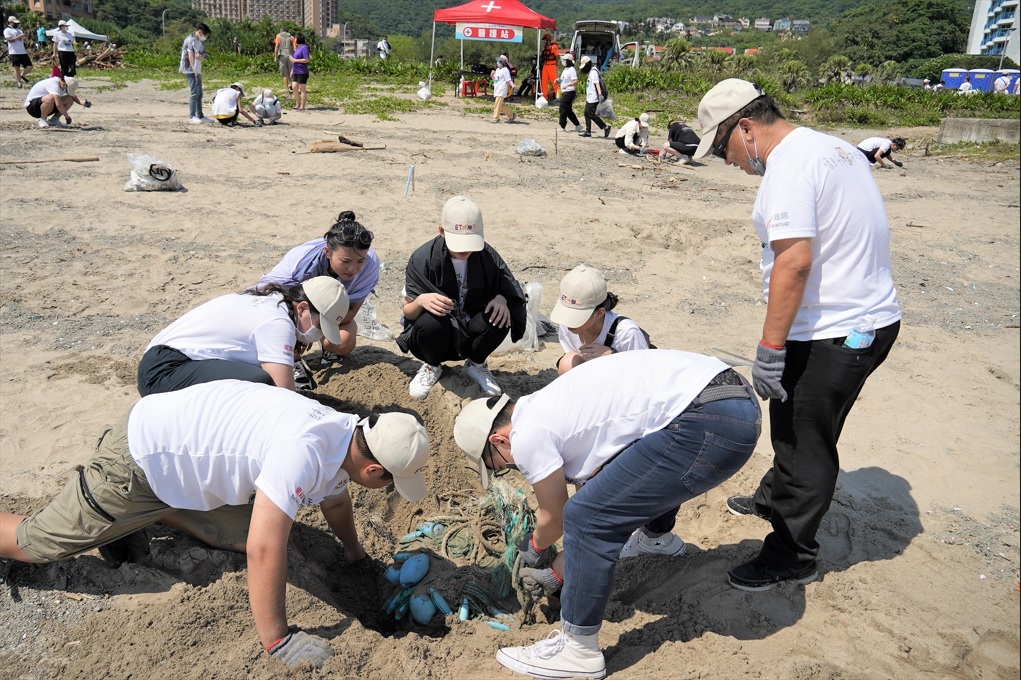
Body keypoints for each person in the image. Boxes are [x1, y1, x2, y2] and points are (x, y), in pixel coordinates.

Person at [0, 379, 431, 670]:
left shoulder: (342, 432)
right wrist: (277, 639)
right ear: (373, 471)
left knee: (244, 531)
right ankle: (132, 509)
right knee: (33, 545)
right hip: (137, 463)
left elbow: (336, 502)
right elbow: (267, 550)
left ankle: (155, 514)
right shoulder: (302, 453)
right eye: (394, 480)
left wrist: (355, 554)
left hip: (176, 458)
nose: (391, 487)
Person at [693, 78, 901, 591]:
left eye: (724, 147)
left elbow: (794, 261)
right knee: (799, 422)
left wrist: (770, 349)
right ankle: (773, 498)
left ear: (746, 127)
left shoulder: (786, 168)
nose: (728, 161)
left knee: (804, 437)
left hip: (834, 330)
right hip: (870, 320)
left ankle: (792, 554)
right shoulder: (830, 147)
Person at [452, 350, 761, 679]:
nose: (505, 470)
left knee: (584, 518)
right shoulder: (547, 404)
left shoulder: (526, 435)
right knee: (614, 486)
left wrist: (537, 548)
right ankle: (656, 539)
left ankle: (578, 650)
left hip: (709, 423)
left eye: (495, 465)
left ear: (499, 440)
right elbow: (603, 487)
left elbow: (560, 517)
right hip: (734, 398)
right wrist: (562, 563)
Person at [397, 196, 527, 400]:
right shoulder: (423, 258)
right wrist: (421, 300)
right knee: (430, 323)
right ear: (441, 231)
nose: (465, 249)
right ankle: (432, 366)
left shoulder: (487, 255)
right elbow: (408, 311)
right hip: (440, 332)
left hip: (472, 328)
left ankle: (476, 364)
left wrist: (502, 298)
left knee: (501, 315)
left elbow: (509, 287)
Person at [137, 276, 348, 396]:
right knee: (262, 383)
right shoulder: (278, 322)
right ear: (302, 308)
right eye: (320, 326)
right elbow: (284, 393)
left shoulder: (273, 299)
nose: (318, 335)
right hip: (163, 374)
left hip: (163, 362)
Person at [259, 212, 380, 377]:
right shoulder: (300, 264)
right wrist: (299, 333)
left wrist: (314, 330)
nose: (353, 269)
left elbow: (350, 313)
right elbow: (269, 304)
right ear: (328, 252)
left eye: (360, 261)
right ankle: (290, 358)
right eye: (345, 261)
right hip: (294, 311)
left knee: (343, 342)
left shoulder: (370, 265)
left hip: (329, 314)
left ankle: (327, 350)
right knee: (282, 324)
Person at [551, 264, 651, 375]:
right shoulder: (567, 326)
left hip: (622, 384)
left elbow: (642, 375)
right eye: (567, 312)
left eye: (576, 316)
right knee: (567, 363)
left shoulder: (627, 333)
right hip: (594, 382)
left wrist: (612, 356)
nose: (568, 321)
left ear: (600, 313)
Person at [23, 75, 89, 128]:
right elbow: (58, 105)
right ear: (64, 84)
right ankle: (43, 120)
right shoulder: (54, 84)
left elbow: (73, 97)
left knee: (69, 99)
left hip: (45, 106)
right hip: (32, 108)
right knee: (51, 98)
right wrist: (67, 117)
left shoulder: (63, 84)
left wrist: (84, 103)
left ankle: (54, 120)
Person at [180, 23, 211, 124]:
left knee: (200, 93)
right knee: (194, 93)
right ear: (200, 32)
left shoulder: (199, 42)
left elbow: (203, 54)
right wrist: (194, 71)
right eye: (205, 34)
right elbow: (190, 56)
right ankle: (192, 116)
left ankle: (200, 115)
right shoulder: (190, 40)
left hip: (198, 69)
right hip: (190, 69)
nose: (205, 37)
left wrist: (202, 57)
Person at [578, 55, 609, 139]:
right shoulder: (591, 71)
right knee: (586, 113)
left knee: (591, 114)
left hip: (594, 97)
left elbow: (597, 83)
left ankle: (605, 127)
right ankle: (588, 132)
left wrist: (600, 95)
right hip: (590, 97)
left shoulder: (594, 72)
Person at [5, 16, 32, 88]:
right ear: (10, 22)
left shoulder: (20, 30)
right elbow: (10, 40)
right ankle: (18, 82)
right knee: (17, 68)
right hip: (14, 52)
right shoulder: (7, 30)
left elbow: (26, 42)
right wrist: (18, 37)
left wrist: (26, 37)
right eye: (15, 23)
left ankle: (21, 75)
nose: (16, 24)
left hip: (22, 52)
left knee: (29, 67)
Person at [557, 52, 581, 132]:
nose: (563, 61)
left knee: (562, 108)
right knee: (568, 110)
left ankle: (562, 126)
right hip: (564, 92)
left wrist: (568, 85)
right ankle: (578, 125)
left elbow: (575, 81)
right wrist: (558, 80)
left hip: (569, 92)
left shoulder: (572, 69)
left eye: (565, 60)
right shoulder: (565, 69)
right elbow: (563, 79)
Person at [490, 56, 515, 123]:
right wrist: (492, 75)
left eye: (499, 62)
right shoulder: (497, 70)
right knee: (501, 105)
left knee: (497, 103)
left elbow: (508, 79)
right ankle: (511, 115)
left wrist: (513, 86)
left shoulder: (505, 70)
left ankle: (496, 118)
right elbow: (495, 79)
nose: (498, 63)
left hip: (502, 89)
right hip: (497, 89)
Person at [290, 34, 310, 110]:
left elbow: (306, 59)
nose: (294, 40)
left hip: (302, 72)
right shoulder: (297, 48)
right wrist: (292, 70)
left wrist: (295, 60)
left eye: (295, 39)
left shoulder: (304, 48)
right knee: (294, 87)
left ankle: (302, 106)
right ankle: (297, 104)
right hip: (295, 71)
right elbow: (293, 60)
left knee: (302, 89)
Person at [273, 28, 295, 94]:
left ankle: (287, 89)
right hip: (290, 55)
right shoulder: (292, 37)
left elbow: (276, 46)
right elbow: (294, 47)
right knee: (291, 72)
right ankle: (293, 87)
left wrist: (275, 56)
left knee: (284, 73)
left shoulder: (278, 36)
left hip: (282, 55)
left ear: (281, 31)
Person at [539, 34, 560, 100]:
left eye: (545, 40)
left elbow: (557, 56)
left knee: (554, 81)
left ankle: (558, 96)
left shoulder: (554, 47)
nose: (544, 41)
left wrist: (556, 64)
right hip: (545, 65)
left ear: (548, 40)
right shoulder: (545, 47)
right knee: (544, 82)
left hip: (552, 65)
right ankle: (544, 96)